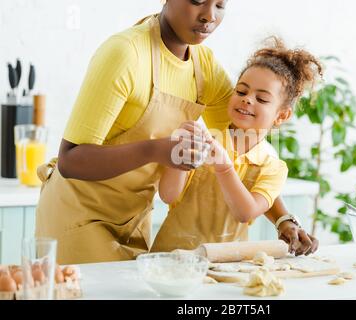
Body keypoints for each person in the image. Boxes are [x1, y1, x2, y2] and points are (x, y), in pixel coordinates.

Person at [35, 0, 317, 264]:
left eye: (220, 5)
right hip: (79, 215)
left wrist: (283, 219)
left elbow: (244, 150)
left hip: (134, 218)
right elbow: (70, 160)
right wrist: (156, 150)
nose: (209, 16)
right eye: (197, 0)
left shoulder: (203, 66)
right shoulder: (125, 53)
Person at [151, 37, 322, 252]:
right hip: (171, 259)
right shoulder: (204, 142)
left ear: (282, 116)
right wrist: (178, 155)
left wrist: (224, 167)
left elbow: (246, 212)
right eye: (241, 91)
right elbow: (168, 195)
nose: (248, 99)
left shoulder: (272, 168)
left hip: (228, 263)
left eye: (262, 99)